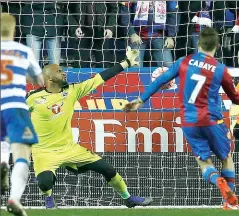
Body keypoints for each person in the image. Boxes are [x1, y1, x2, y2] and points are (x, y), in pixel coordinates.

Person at [122, 27, 239, 210]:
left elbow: (161, 80)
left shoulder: (184, 62)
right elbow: (235, 98)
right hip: (212, 120)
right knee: (226, 158)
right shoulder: (221, 69)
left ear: (198, 43)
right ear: (217, 46)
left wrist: (141, 99)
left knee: (204, 162)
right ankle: (230, 202)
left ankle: (218, 181)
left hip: (189, 122)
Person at [26, 47, 153, 209]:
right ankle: (49, 200)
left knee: (108, 169)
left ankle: (128, 198)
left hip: (69, 148)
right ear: (49, 77)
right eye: (59, 71)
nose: (64, 73)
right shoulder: (33, 98)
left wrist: (126, 63)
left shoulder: (72, 91)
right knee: (45, 182)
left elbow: (100, 78)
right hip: (44, 152)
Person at [1, 13, 44, 216]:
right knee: (23, 154)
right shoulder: (23, 50)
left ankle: (2, 160)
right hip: (15, 104)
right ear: (14, 30)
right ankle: (14, 198)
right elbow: (40, 81)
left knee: (3, 142)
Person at [120, 1, 178, 67]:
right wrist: (131, 33)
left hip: (158, 34)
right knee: (135, 66)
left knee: (168, 66)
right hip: (137, 35)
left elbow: (173, 13)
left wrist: (170, 36)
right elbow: (124, 12)